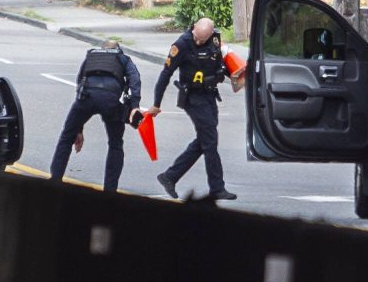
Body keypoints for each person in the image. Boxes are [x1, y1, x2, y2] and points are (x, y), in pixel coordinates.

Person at [144, 17, 238, 201]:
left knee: (205, 140)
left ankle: (170, 176)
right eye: (196, 37)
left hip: (209, 95)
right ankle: (217, 188)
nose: (198, 42)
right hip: (192, 98)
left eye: (202, 40)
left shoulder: (215, 40)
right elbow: (165, 74)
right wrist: (156, 103)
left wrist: (237, 73)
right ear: (193, 28)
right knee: (210, 141)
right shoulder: (181, 44)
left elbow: (221, 63)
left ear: (210, 34)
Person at [50, 40, 142, 192]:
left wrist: (78, 128)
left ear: (102, 48)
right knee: (115, 144)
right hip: (110, 100)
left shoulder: (91, 56)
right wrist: (135, 106)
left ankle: (54, 181)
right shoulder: (123, 58)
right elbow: (135, 79)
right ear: (118, 49)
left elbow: (80, 82)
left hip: (86, 97)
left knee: (66, 138)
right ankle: (110, 190)